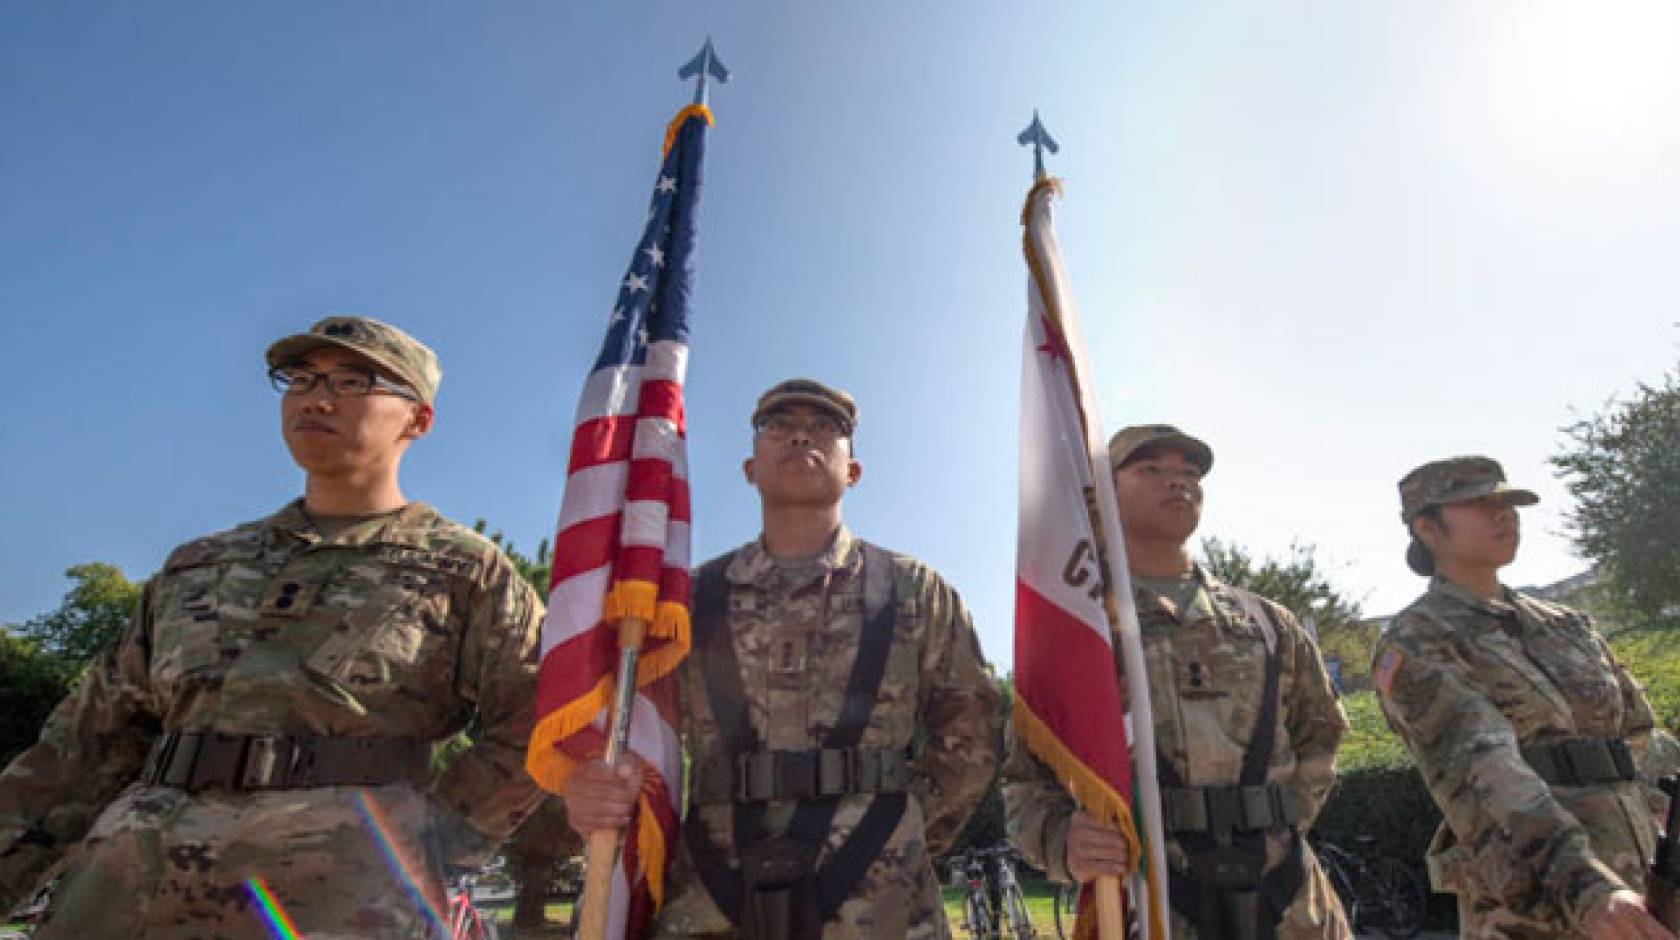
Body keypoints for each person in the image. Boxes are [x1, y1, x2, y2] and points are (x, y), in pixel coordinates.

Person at [0, 315, 546, 938]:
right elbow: (82, 746)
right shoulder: (199, 563)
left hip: (334, 898)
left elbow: (538, 722)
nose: (316, 398)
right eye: (301, 379)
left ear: (418, 420)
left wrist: (432, 841)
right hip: (127, 890)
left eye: (353, 381)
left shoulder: (463, 568)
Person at [563, 378, 999, 939]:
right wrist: (592, 786)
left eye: (825, 428)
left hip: (882, 903)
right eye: (779, 426)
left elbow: (972, 737)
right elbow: (631, 731)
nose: (801, 436)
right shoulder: (682, 603)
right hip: (710, 897)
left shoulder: (913, 590)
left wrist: (898, 833)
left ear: (853, 471)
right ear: (750, 468)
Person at [1004, 423, 1352, 939]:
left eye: (1190, 473)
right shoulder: (1079, 632)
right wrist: (1061, 840)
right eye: (1151, 470)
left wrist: (1279, 822)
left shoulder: (1267, 622)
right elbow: (1024, 780)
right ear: (1103, 492)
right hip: (1147, 901)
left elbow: (1320, 731)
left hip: (1290, 903)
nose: (1178, 482)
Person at [1372, 456, 1674, 940]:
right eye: (1479, 503)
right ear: (1427, 528)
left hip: (1643, 879)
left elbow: (1643, 736)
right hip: (1541, 905)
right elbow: (1484, 776)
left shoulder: (1566, 624)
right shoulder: (1418, 640)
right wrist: (1588, 889)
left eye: (1508, 502)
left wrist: (1668, 830)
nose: (1504, 514)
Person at [508, 797, 584, 937]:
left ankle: (531, 917)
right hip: (538, 849)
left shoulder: (541, 806)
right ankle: (527, 919)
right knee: (533, 885)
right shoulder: (546, 805)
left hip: (538, 849)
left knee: (535, 885)